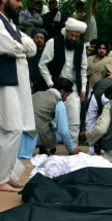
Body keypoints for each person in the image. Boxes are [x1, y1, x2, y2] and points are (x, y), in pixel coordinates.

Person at [0, 0, 37, 192]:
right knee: (9, 128)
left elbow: (31, 47)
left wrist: (19, 46)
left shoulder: (11, 25)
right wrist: (20, 46)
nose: (21, 5)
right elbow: (6, 46)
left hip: (16, 83)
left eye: (21, 0)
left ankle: (2, 176)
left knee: (14, 128)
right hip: (4, 82)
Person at [38, 18, 88, 147]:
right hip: (55, 87)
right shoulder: (52, 42)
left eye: (76, 36)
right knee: (53, 119)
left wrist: (83, 89)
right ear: (66, 32)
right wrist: (50, 84)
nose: (73, 38)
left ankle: (73, 147)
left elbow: (83, 69)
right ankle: (50, 147)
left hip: (74, 87)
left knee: (74, 118)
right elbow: (42, 65)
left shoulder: (81, 46)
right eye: (71, 35)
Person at [32, 78, 81, 156]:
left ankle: (43, 150)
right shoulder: (59, 102)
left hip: (24, 133)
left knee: (48, 124)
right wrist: (71, 150)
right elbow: (63, 131)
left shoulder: (36, 94)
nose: (66, 99)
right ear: (61, 92)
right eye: (66, 96)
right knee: (58, 133)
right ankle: (43, 147)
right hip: (36, 135)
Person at [28, 28, 48, 92]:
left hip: (44, 83)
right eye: (37, 37)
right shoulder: (28, 51)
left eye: (41, 38)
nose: (39, 40)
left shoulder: (46, 52)